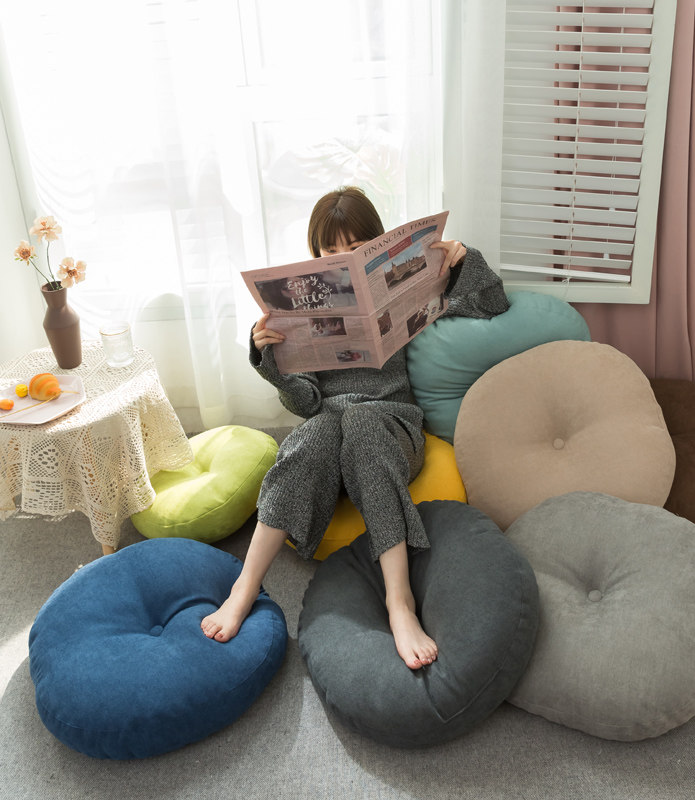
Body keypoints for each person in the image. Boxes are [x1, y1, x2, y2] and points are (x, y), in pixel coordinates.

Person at [201, 186, 509, 669]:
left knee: (362, 422)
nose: (341, 258)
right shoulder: (303, 306)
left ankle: (399, 602)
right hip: (330, 427)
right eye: (330, 252)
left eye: (356, 247)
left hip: (391, 426)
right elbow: (305, 405)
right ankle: (245, 587)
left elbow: (492, 304)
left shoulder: (408, 281)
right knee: (312, 435)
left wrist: (465, 261)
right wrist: (271, 363)